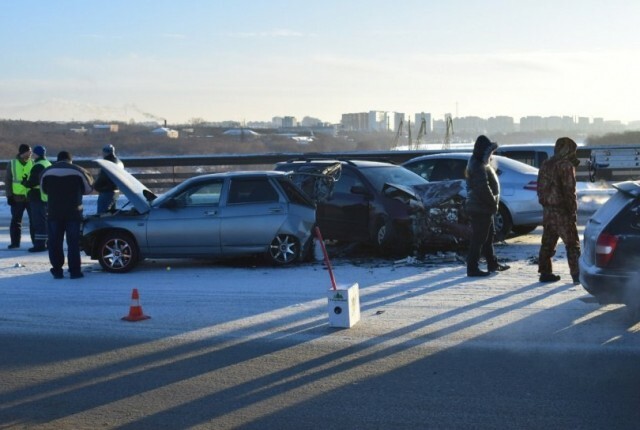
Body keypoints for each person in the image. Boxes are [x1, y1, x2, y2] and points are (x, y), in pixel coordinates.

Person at [40, 151, 94, 279]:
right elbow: (88, 189)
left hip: (54, 212)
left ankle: (57, 270)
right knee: (73, 243)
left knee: (55, 243)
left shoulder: (47, 172)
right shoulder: (79, 171)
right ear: (70, 160)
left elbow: (44, 190)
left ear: (57, 160)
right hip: (73, 212)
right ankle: (75, 272)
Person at [537, 137, 581, 284]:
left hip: (548, 211)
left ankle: (545, 272)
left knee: (547, 243)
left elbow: (539, 187)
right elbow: (570, 190)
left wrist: (545, 203)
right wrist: (572, 210)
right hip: (562, 212)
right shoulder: (565, 165)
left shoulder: (546, 163)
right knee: (572, 244)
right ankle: (577, 274)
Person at [465, 135, 510, 277]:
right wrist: (492, 203)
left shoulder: (480, 163)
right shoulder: (477, 166)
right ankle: (472, 268)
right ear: (483, 152)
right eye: (489, 152)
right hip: (481, 208)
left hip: (484, 207)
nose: (491, 156)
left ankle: (492, 263)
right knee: (479, 238)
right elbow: (483, 188)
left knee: (488, 237)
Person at [23, 145, 52, 252]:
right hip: (46, 196)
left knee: (38, 222)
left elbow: (33, 182)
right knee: (46, 222)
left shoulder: (37, 165)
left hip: (37, 196)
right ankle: (48, 243)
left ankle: (39, 245)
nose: (32, 155)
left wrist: (25, 182)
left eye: (33, 153)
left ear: (36, 154)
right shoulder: (48, 163)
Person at [5, 144, 34, 249]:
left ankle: (36, 243)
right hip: (17, 198)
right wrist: (9, 196)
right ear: (23, 152)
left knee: (34, 221)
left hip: (31, 197)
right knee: (16, 221)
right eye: (29, 151)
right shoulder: (12, 164)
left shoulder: (33, 163)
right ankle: (15, 243)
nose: (31, 153)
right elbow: (8, 181)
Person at [94, 144, 124, 214]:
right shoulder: (119, 162)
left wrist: (96, 186)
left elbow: (103, 177)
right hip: (115, 190)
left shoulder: (107, 163)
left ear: (104, 152)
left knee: (102, 214)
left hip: (106, 191)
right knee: (112, 214)